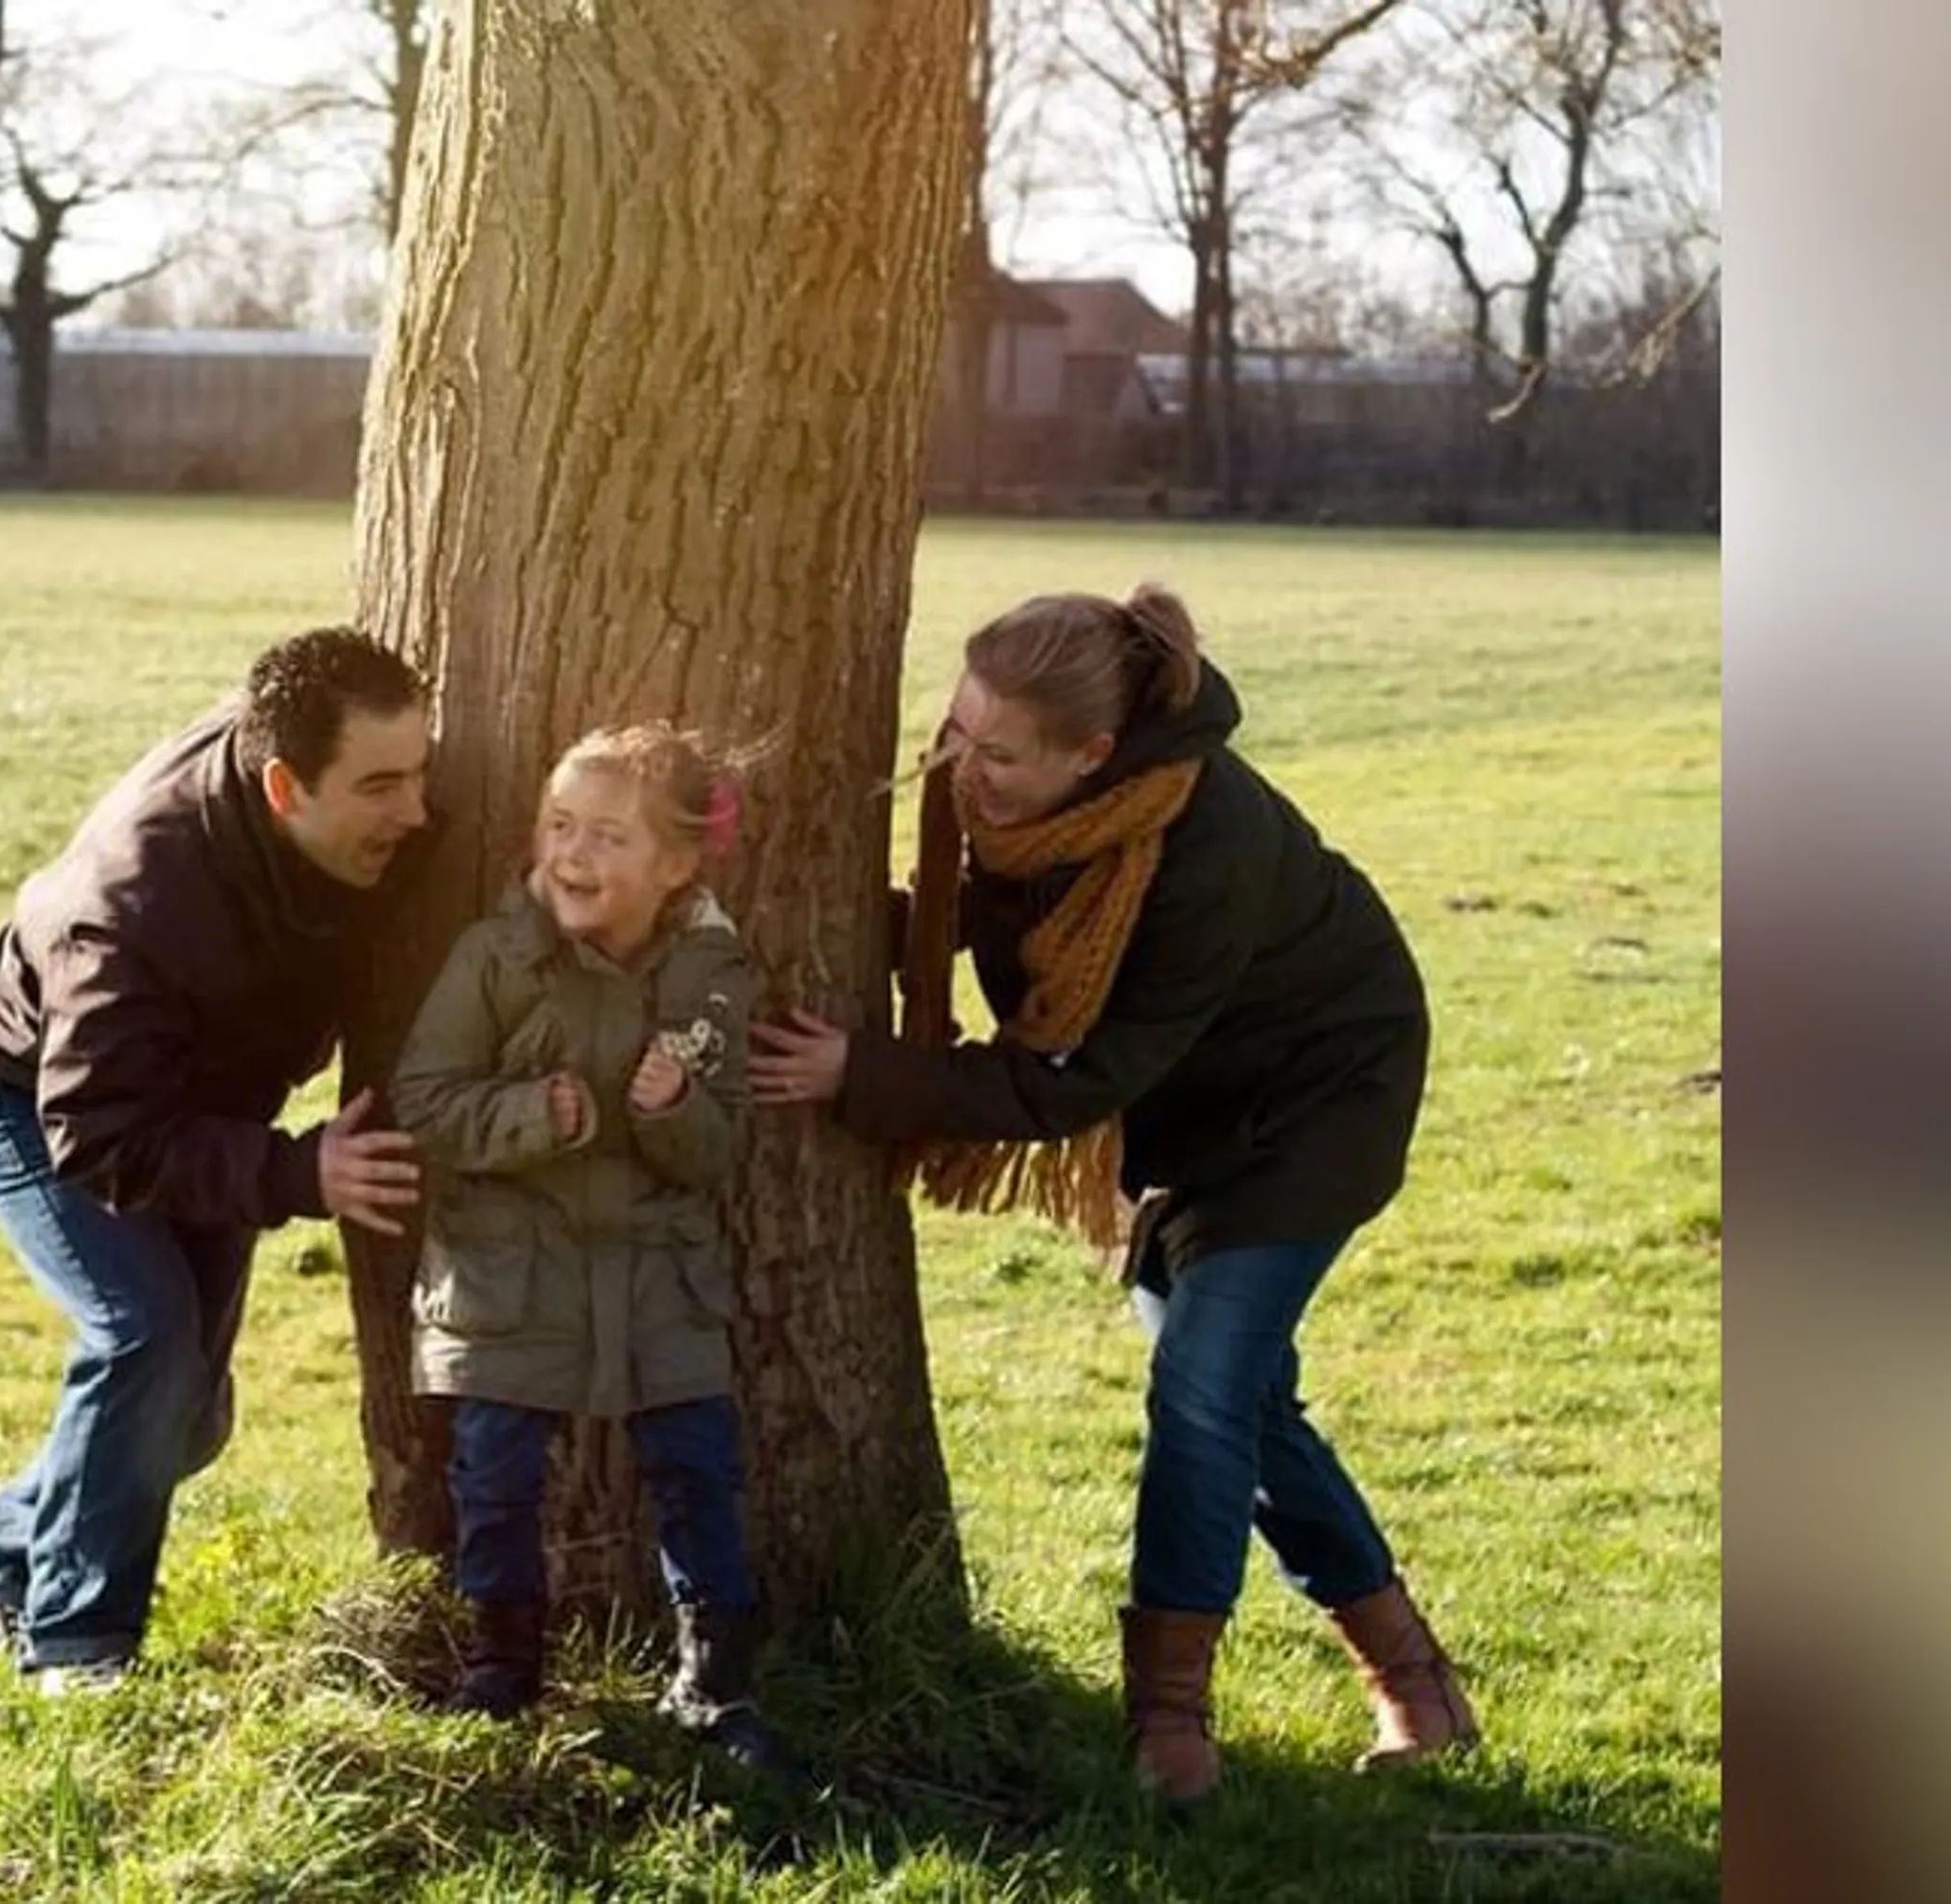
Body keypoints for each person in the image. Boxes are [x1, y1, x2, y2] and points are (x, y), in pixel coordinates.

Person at [749, 584, 1476, 1801]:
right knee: (1241, 1403)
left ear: (1094, 755)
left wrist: (864, 1073)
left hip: (1316, 1101)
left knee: (1201, 1391)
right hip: (1197, 1103)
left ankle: (1169, 1724)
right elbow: (977, 920)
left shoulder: (1201, 847)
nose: (963, 771)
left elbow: (1070, 1084)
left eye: (1000, 755)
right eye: (957, 734)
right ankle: (1416, 1678)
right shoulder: (1018, 810)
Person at [0, 626, 434, 1690]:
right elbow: (97, 1132)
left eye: (420, 773)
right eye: (382, 786)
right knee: (145, 1340)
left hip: (201, 1112)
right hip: (38, 1100)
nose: (419, 814)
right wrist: (300, 1175)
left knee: (187, 1418)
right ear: (284, 789)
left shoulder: (309, 774)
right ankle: (77, 1650)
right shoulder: (130, 907)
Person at [389, 722, 788, 1771]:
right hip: (509, 1276)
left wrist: (669, 1108)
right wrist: (532, 1114)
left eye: (608, 837)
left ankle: (716, 1677)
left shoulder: (711, 976)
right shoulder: (493, 957)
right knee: (496, 1469)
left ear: (677, 866)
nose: (571, 854)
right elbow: (425, 1100)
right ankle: (503, 1661)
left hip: (659, 1276)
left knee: (699, 1468)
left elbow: (718, 1148)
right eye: (559, 826)